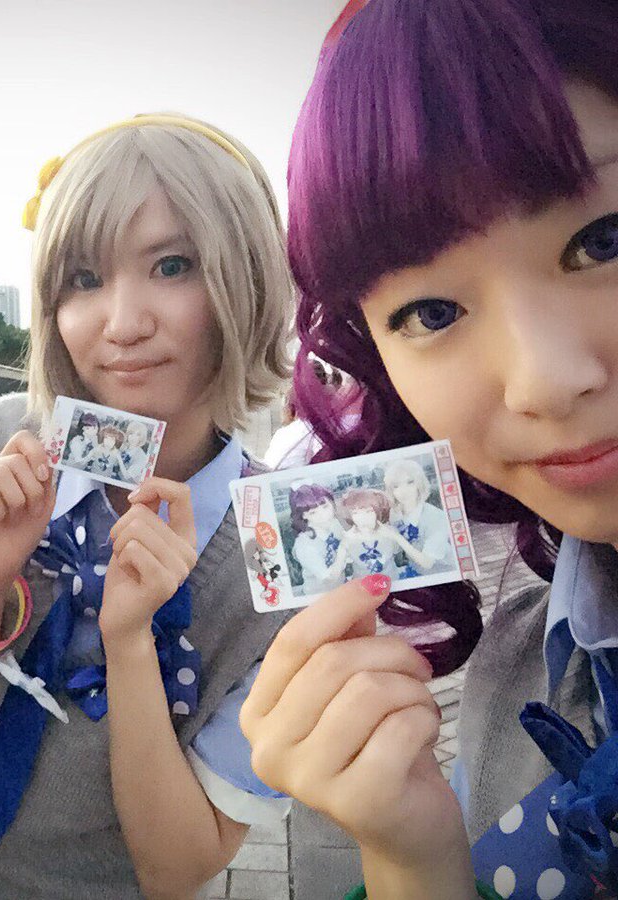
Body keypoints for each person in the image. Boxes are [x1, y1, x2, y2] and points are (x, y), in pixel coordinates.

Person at [239, 1, 618, 896]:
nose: (542, 382)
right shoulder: (520, 676)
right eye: (432, 312)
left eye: (602, 241)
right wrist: (413, 857)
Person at [0, 113, 295, 899]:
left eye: (173, 265)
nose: (123, 324)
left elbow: (176, 870)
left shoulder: (284, 544)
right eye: (82, 279)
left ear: (245, 276)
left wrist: (129, 640)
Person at [383, 459, 452, 579]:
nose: (403, 490)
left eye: (410, 482)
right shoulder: (395, 513)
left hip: (443, 573)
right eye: (396, 486)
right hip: (415, 571)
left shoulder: (436, 517)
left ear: (419, 483)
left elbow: (427, 563)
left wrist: (396, 537)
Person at [287, 482, 346, 594]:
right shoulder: (304, 545)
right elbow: (328, 578)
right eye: (313, 512)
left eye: (325, 507)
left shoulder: (334, 524)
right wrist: (343, 550)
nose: (324, 515)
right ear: (304, 515)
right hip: (318, 596)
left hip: (342, 588)